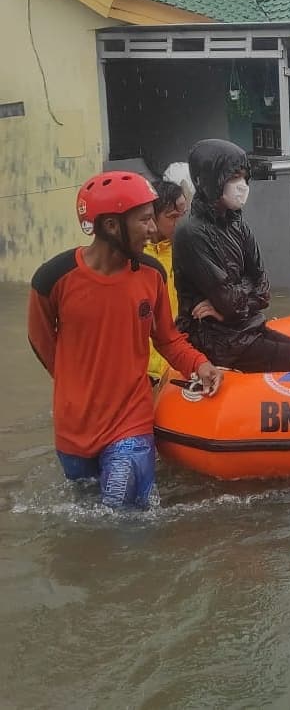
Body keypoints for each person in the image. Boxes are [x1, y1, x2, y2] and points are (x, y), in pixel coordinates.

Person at [27, 171, 222, 509]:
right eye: (145, 219)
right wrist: (75, 384)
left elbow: (168, 339)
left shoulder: (152, 275)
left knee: (124, 510)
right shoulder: (52, 279)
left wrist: (200, 364)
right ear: (112, 226)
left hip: (130, 422)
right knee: (86, 517)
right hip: (73, 429)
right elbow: (42, 343)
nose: (152, 229)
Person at [173, 139, 290, 372]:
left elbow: (263, 290)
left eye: (244, 177)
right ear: (209, 180)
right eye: (233, 177)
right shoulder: (191, 233)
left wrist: (232, 303)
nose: (241, 185)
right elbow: (231, 300)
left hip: (242, 326)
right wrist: (234, 302)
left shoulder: (237, 224)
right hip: (217, 339)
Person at [145, 179, 188, 384]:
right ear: (152, 217)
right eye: (172, 217)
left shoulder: (192, 251)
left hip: (180, 362)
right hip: (145, 370)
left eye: (183, 215)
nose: (180, 222)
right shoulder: (133, 258)